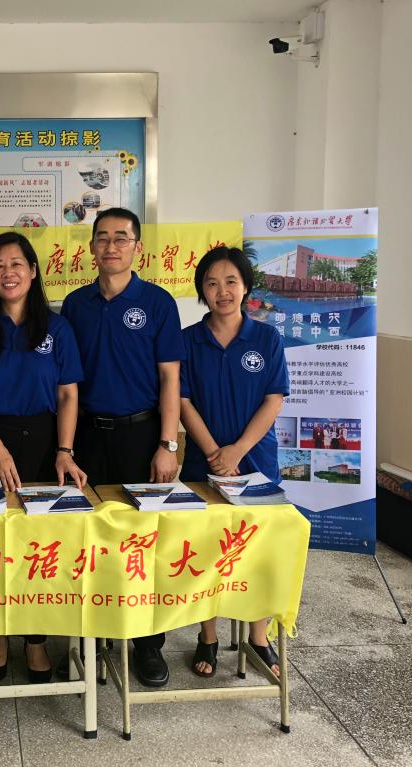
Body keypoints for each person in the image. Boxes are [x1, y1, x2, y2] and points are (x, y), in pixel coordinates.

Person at [0, 231, 86, 684]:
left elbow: (68, 395)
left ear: (32, 271)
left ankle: (35, 639)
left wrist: (65, 451)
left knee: (38, 549)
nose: (7, 273)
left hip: (45, 445)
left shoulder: (57, 328)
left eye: (16, 264)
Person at [59, 207, 183, 687]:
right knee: (88, 539)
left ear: (137, 247)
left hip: (141, 435)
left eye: (121, 238)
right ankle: (91, 639)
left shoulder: (158, 302)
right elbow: (67, 383)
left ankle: (147, 645)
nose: (111, 246)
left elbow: (170, 378)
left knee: (142, 540)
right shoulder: (75, 304)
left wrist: (168, 443)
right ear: (91, 247)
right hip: (87, 435)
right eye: (102, 238)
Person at [177, 245, 289, 680]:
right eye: (212, 283)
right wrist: (214, 454)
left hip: (255, 461)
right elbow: (182, 400)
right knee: (205, 551)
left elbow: (273, 399)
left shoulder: (267, 339)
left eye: (230, 282)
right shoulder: (188, 340)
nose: (222, 291)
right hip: (201, 464)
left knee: (258, 552)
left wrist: (237, 450)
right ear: (201, 291)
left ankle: (258, 637)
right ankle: (207, 635)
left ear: (245, 287)